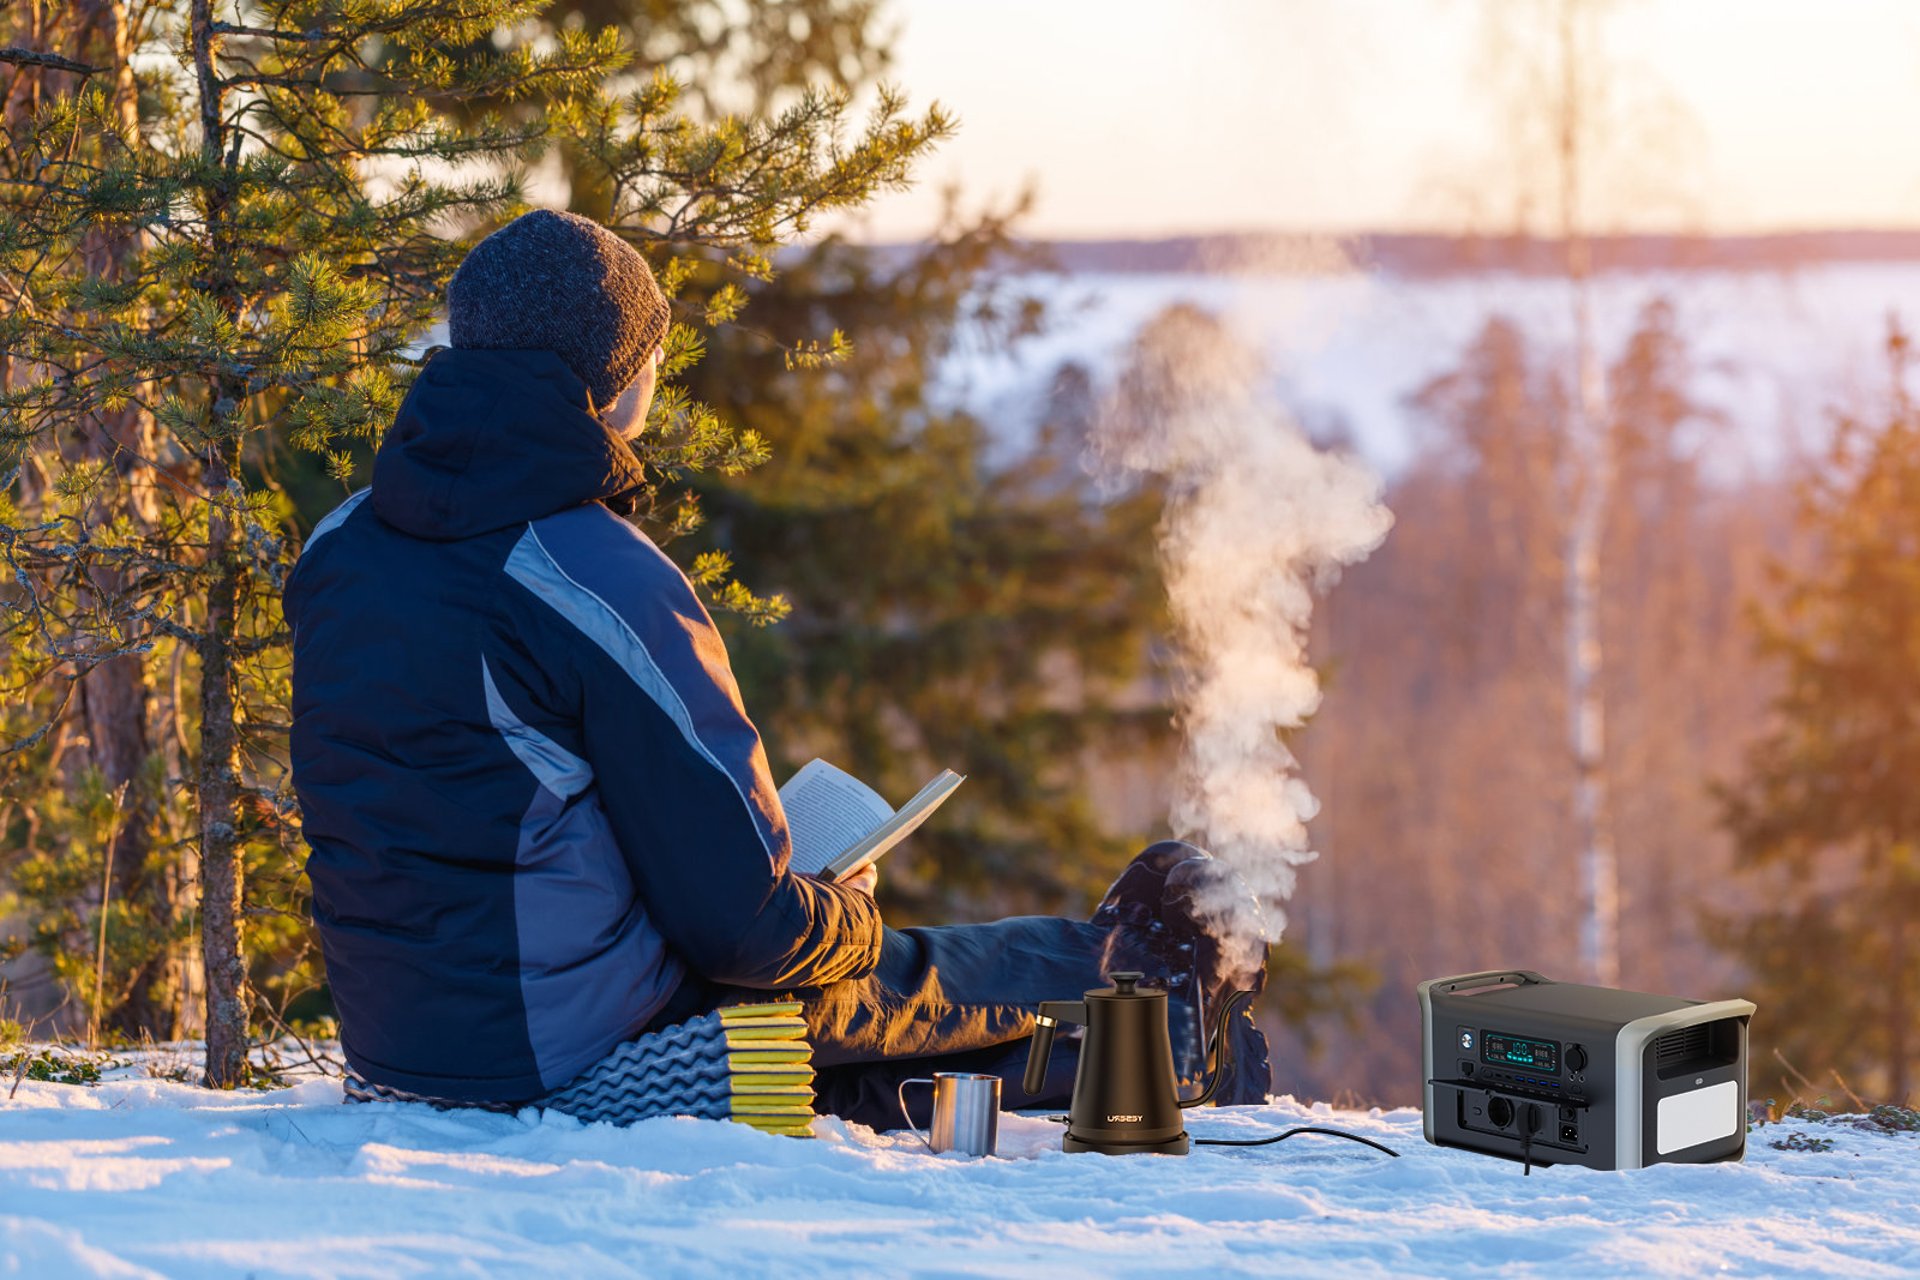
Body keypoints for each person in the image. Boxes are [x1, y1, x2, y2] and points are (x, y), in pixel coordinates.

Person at [284, 209, 1270, 1128]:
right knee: (856, 974)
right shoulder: (595, 576)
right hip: (548, 1056)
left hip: (402, 1049)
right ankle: (1138, 980)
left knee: (826, 1044)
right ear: (616, 376)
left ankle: (1157, 1045)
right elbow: (743, 932)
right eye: (655, 355)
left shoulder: (339, 545)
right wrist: (847, 906)